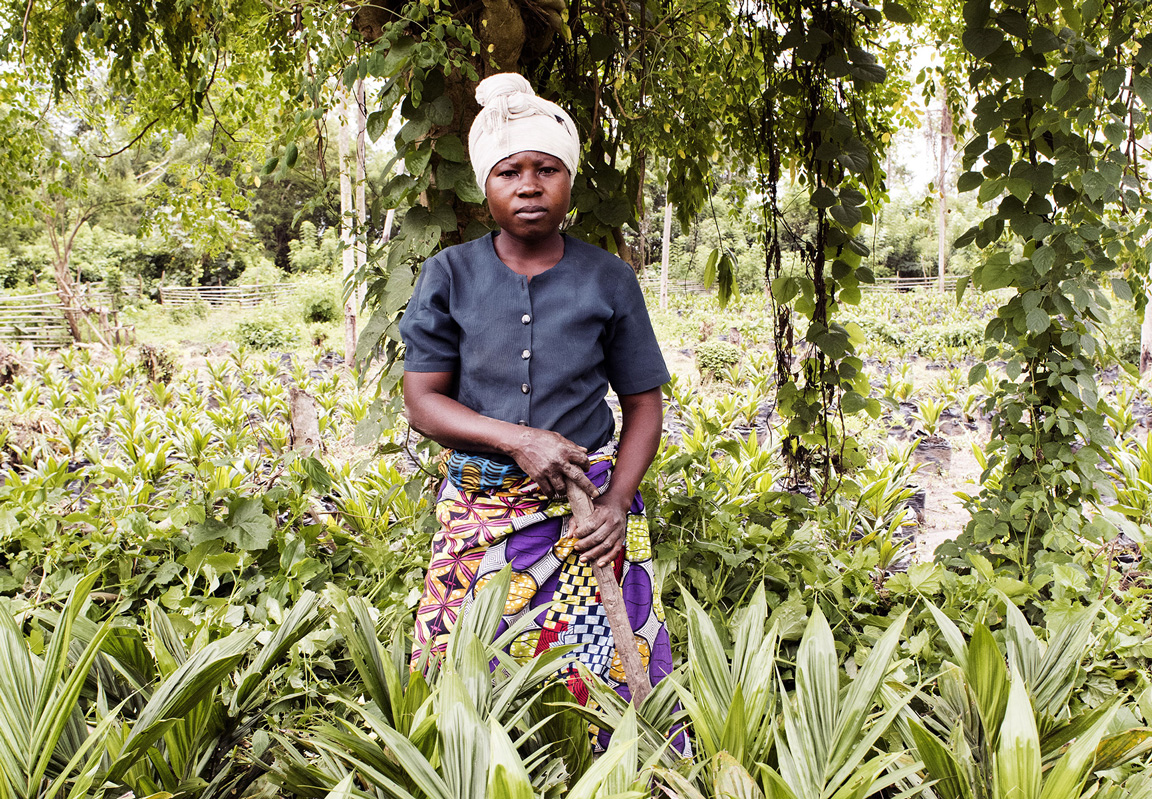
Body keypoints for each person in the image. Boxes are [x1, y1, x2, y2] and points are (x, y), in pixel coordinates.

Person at [399, 73, 673, 742]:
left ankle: (611, 768)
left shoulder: (608, 278)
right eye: (510, 172)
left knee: (605, 665)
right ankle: (477, 768)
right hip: (480, 509)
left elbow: (644, 404)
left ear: (569, 181)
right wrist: (519, 440)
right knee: (457, 665)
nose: (529, 186)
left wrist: (617, 503)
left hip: (587, 513)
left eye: (546, 170)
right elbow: (423, 402)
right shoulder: (449, 276)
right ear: (484, 186)